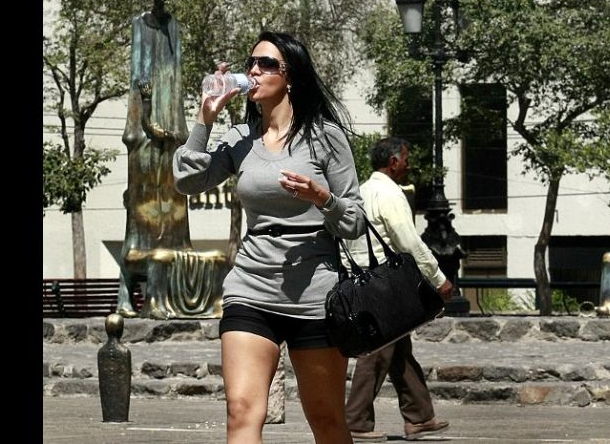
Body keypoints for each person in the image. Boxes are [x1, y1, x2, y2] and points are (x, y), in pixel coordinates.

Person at [173, 31, 366, 444]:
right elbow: (187, 181)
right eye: (252, 63)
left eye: (267, 64)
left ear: (290, 75)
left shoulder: (325, 137)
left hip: (315, 291)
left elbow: (355, 221)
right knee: (242, 412)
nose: (255, 71)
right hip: (251, 286)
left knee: (327, 419)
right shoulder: (238, 139)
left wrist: (324, 198)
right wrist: (205, 119)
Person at [344, 137, 453, 442]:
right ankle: (355, 420)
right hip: (386, 283)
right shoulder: (389, 194)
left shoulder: (361, 191)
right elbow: (408, 241)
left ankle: (419, 417)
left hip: (362, 280)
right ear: (393, 162)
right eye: (405, 158)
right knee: (377, 352)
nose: (409, 164)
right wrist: (437, 277)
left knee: (399, 350)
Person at [118, 0, 192, 318]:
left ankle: (165, 296)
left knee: (168, 221)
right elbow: (139, 74)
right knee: (139, 223)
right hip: (146, 136)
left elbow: (172, 76)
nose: (163, 0)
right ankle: (128, 297)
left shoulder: (173, 26)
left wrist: (175, 126)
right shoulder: (139, 26)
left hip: (168, 132)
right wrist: (142, 122)